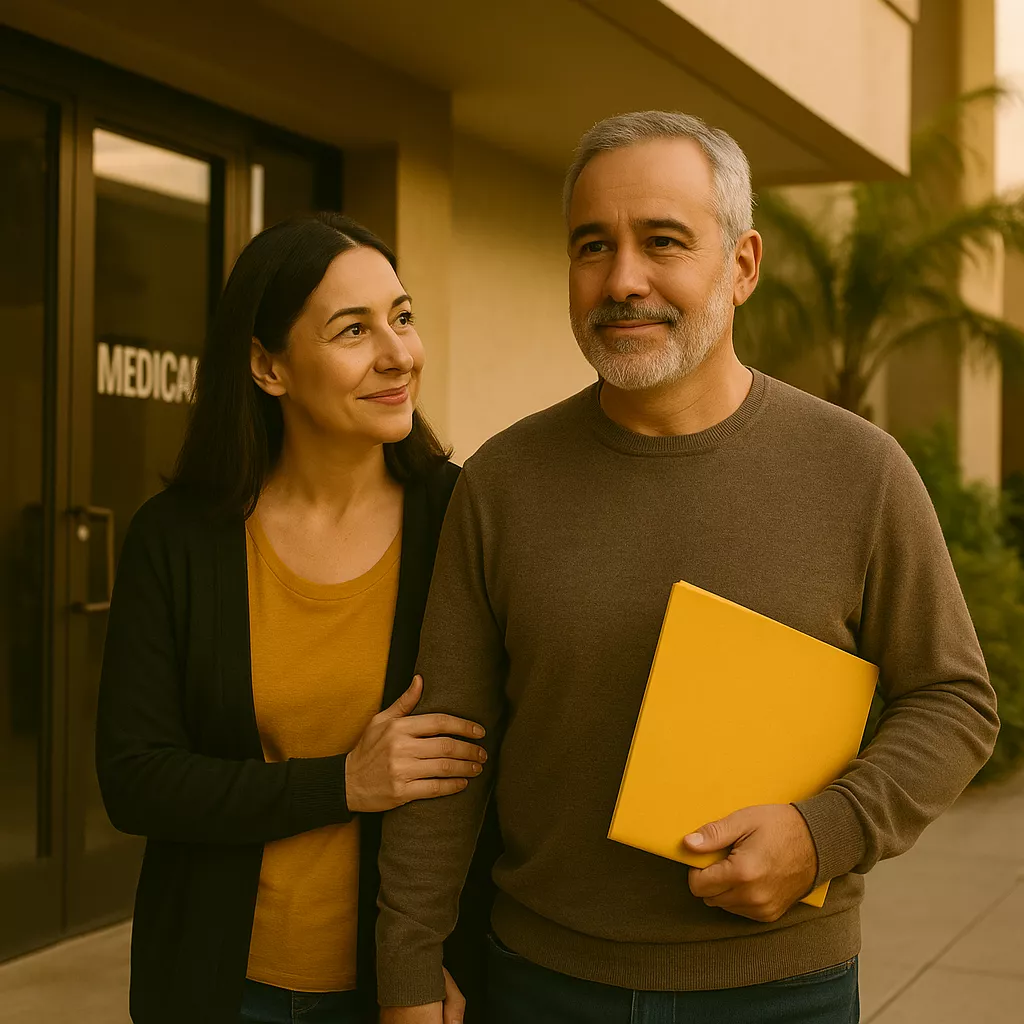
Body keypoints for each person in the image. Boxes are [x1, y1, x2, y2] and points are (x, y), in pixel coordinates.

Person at [374, 112, 1000, 1024]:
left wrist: (823, 835)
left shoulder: (860, 471)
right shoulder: (502, 482)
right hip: (541, 986)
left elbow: (953, 701)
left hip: (786, 993)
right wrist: (407, 971)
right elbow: (446, 750)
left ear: (741, 265)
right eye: (594, 246)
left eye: (662, 242)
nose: (623, 279)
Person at [95, 213, 496, 1024]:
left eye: (403, 317)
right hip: (217, 985)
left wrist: (447, 963)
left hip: (400, 995)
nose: (397, 354)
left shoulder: (460, 519)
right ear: (266, 365)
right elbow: (136, 780)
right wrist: (343, 782)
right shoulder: (178, 538)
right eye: (353, 330)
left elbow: (495, 773)